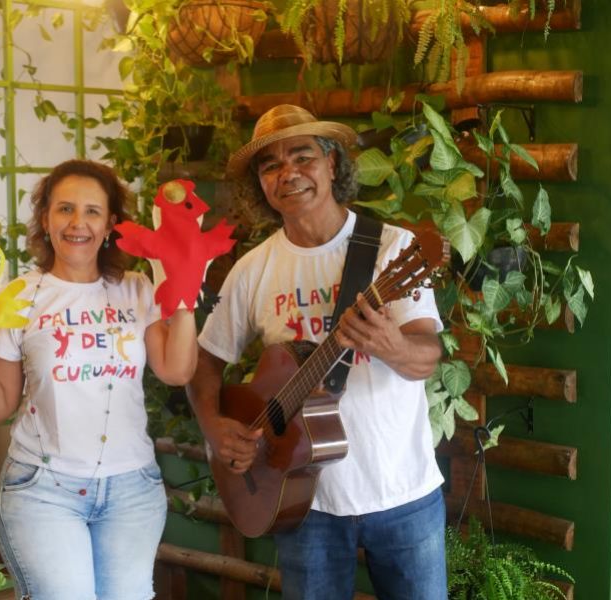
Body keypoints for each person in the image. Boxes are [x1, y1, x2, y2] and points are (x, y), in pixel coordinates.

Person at [187, 105, 447, 600]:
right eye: (271, 166)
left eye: (302, 156)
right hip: (302, 501)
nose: (288, 173)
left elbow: (427, 356)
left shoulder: (394, 248)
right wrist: (213, 427)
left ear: (331, 163)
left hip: (403, 493)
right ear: (261, 184)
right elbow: (204, 361)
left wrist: (391, 345)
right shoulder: (253, 269)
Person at [0, 159, 197, 600]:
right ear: (45, 219)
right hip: (43, 490)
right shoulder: (19, 296)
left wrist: (185, 295)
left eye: (92, 211)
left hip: (131, 489)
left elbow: (176, 370)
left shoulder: (136, 288)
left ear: (110, 223)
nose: (78, 223)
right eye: (65, 209)